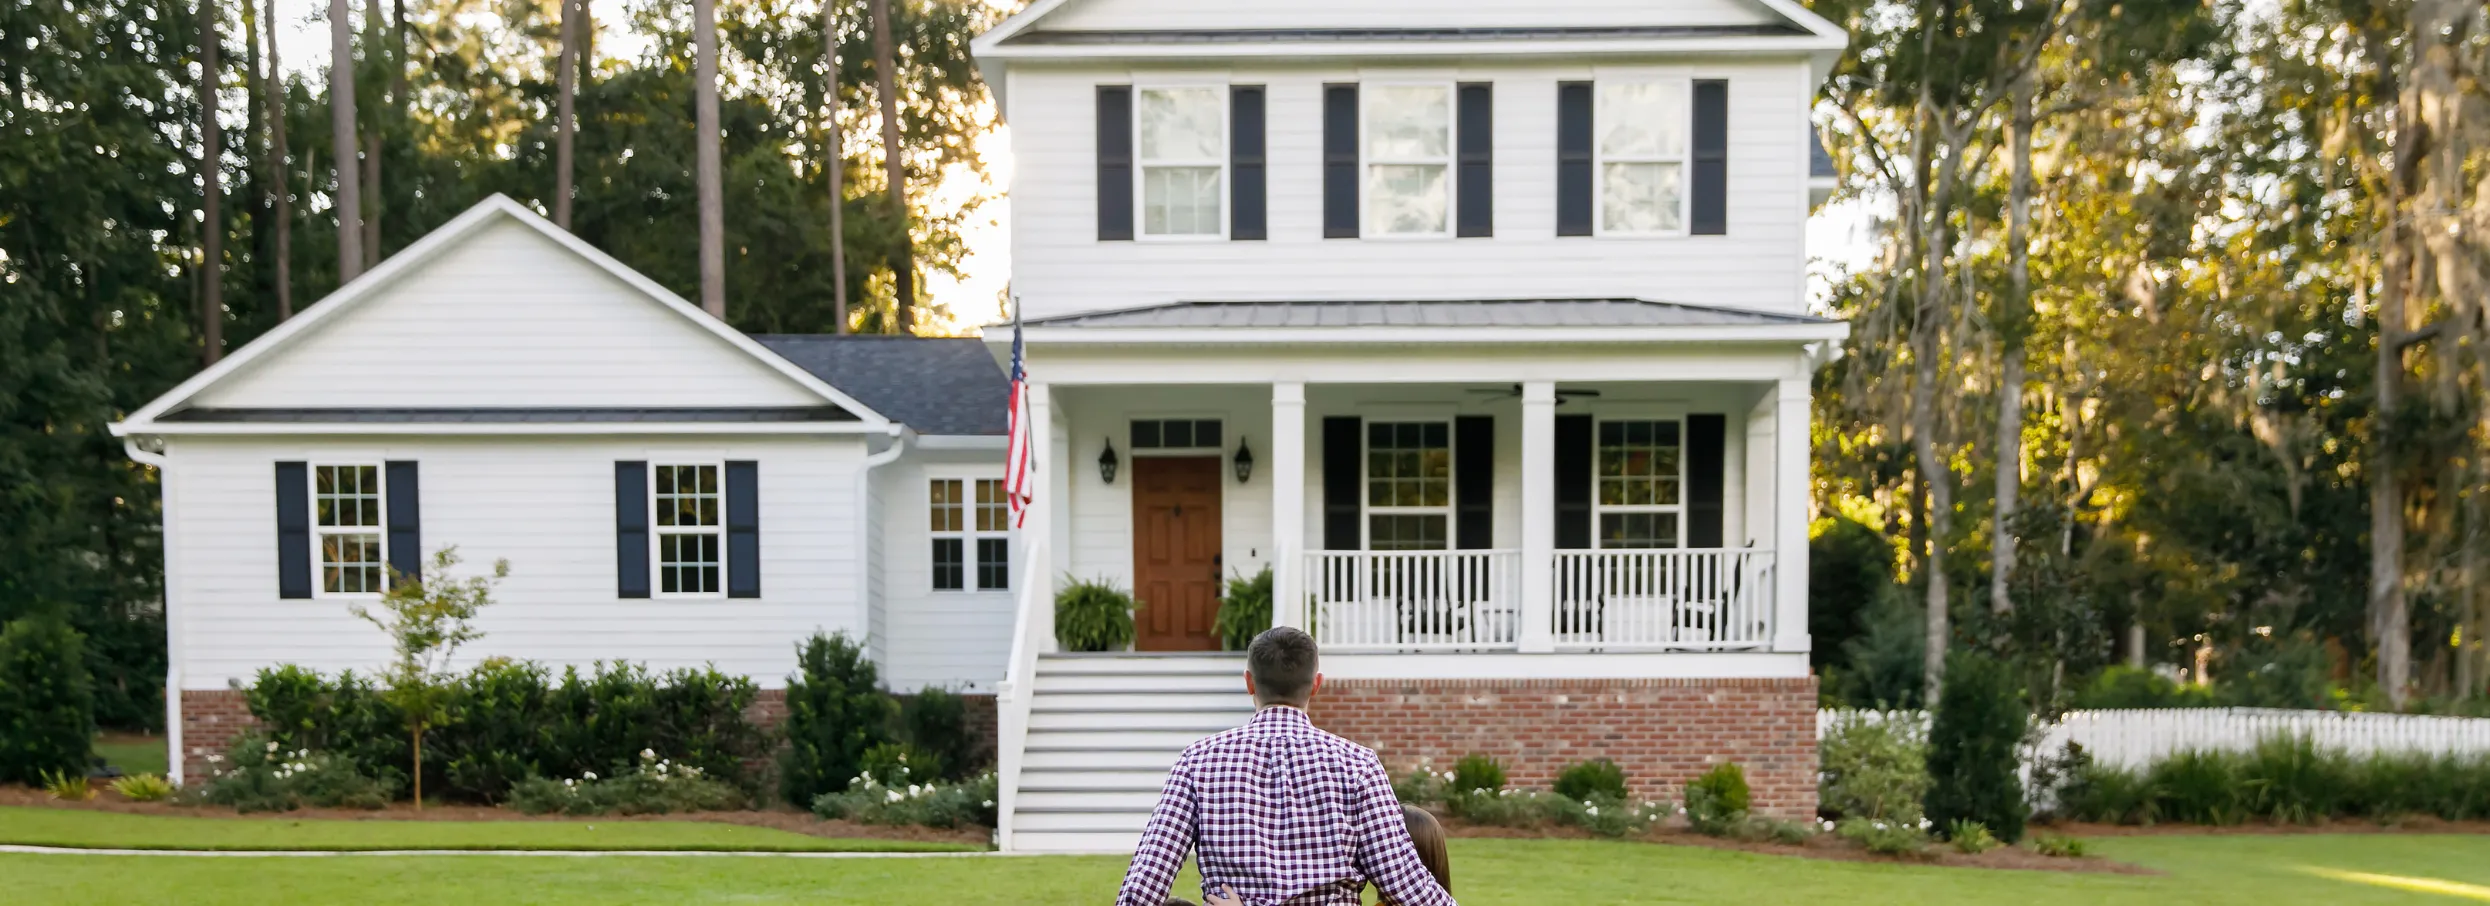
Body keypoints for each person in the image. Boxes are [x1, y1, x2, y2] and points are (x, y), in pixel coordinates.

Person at [1113, 627, 1457, 906]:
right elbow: (1406, 882)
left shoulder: (1198, 761)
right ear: (1316, 685)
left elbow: (1145, 885)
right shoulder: (1358, 765)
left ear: (1249, 682)